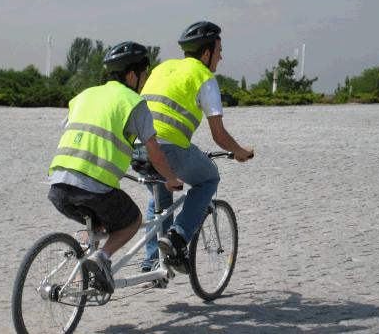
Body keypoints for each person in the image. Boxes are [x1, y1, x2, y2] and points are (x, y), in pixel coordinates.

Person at [47, 41, 183, 294]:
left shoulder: (84, 95)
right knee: (132, 220)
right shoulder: (133, 101)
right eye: (145, 74)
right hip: (93, 186)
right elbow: (155, 152)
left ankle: (83, 273)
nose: (145, 80)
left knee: (98, 223)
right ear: (132, 74)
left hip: (58, 184)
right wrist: (171, 179)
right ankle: (100, 258)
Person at [140, 21, 254, 274]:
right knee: (208, 178)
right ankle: (178, 238)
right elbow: (219, 135)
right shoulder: (204, 77)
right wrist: (239, 151)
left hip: (137, 148)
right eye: (219, 50)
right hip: (168, 148)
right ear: (206, 53)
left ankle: (152, 263)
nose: (221, 57)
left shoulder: (163, 68)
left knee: (161, 194)